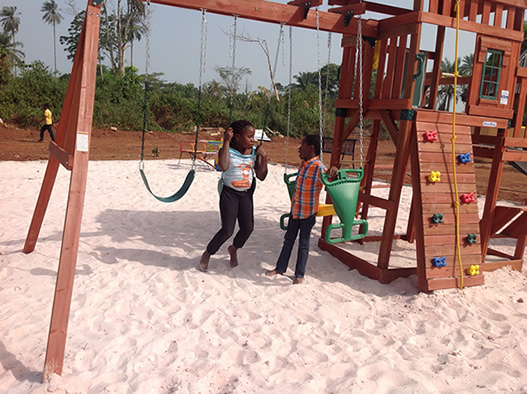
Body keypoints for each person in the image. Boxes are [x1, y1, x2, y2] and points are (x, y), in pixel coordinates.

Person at [265, 134, 337, 284]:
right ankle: (280, 268)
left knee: (304, 244)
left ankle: (299, 274)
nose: (299, 148)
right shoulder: (303, 164)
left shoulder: (318, 167)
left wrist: (334, 170)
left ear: (311, 148)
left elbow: (330, 179)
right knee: (288, 240)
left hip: (308, 214)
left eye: (302, 145)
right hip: (295, 211)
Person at [199, 120, 268, 272]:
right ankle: (208, 252)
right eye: (249, 137)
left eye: (253, 136)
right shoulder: (227, 150)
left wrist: (264, 157)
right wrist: (226, 141)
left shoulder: (255, 152)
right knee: (227, 230)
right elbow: (223, 167)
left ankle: (234, 248)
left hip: (246, 194)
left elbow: (261, 176)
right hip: (229, 193)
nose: (252, 140)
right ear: (237, 137)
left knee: (247, 228)